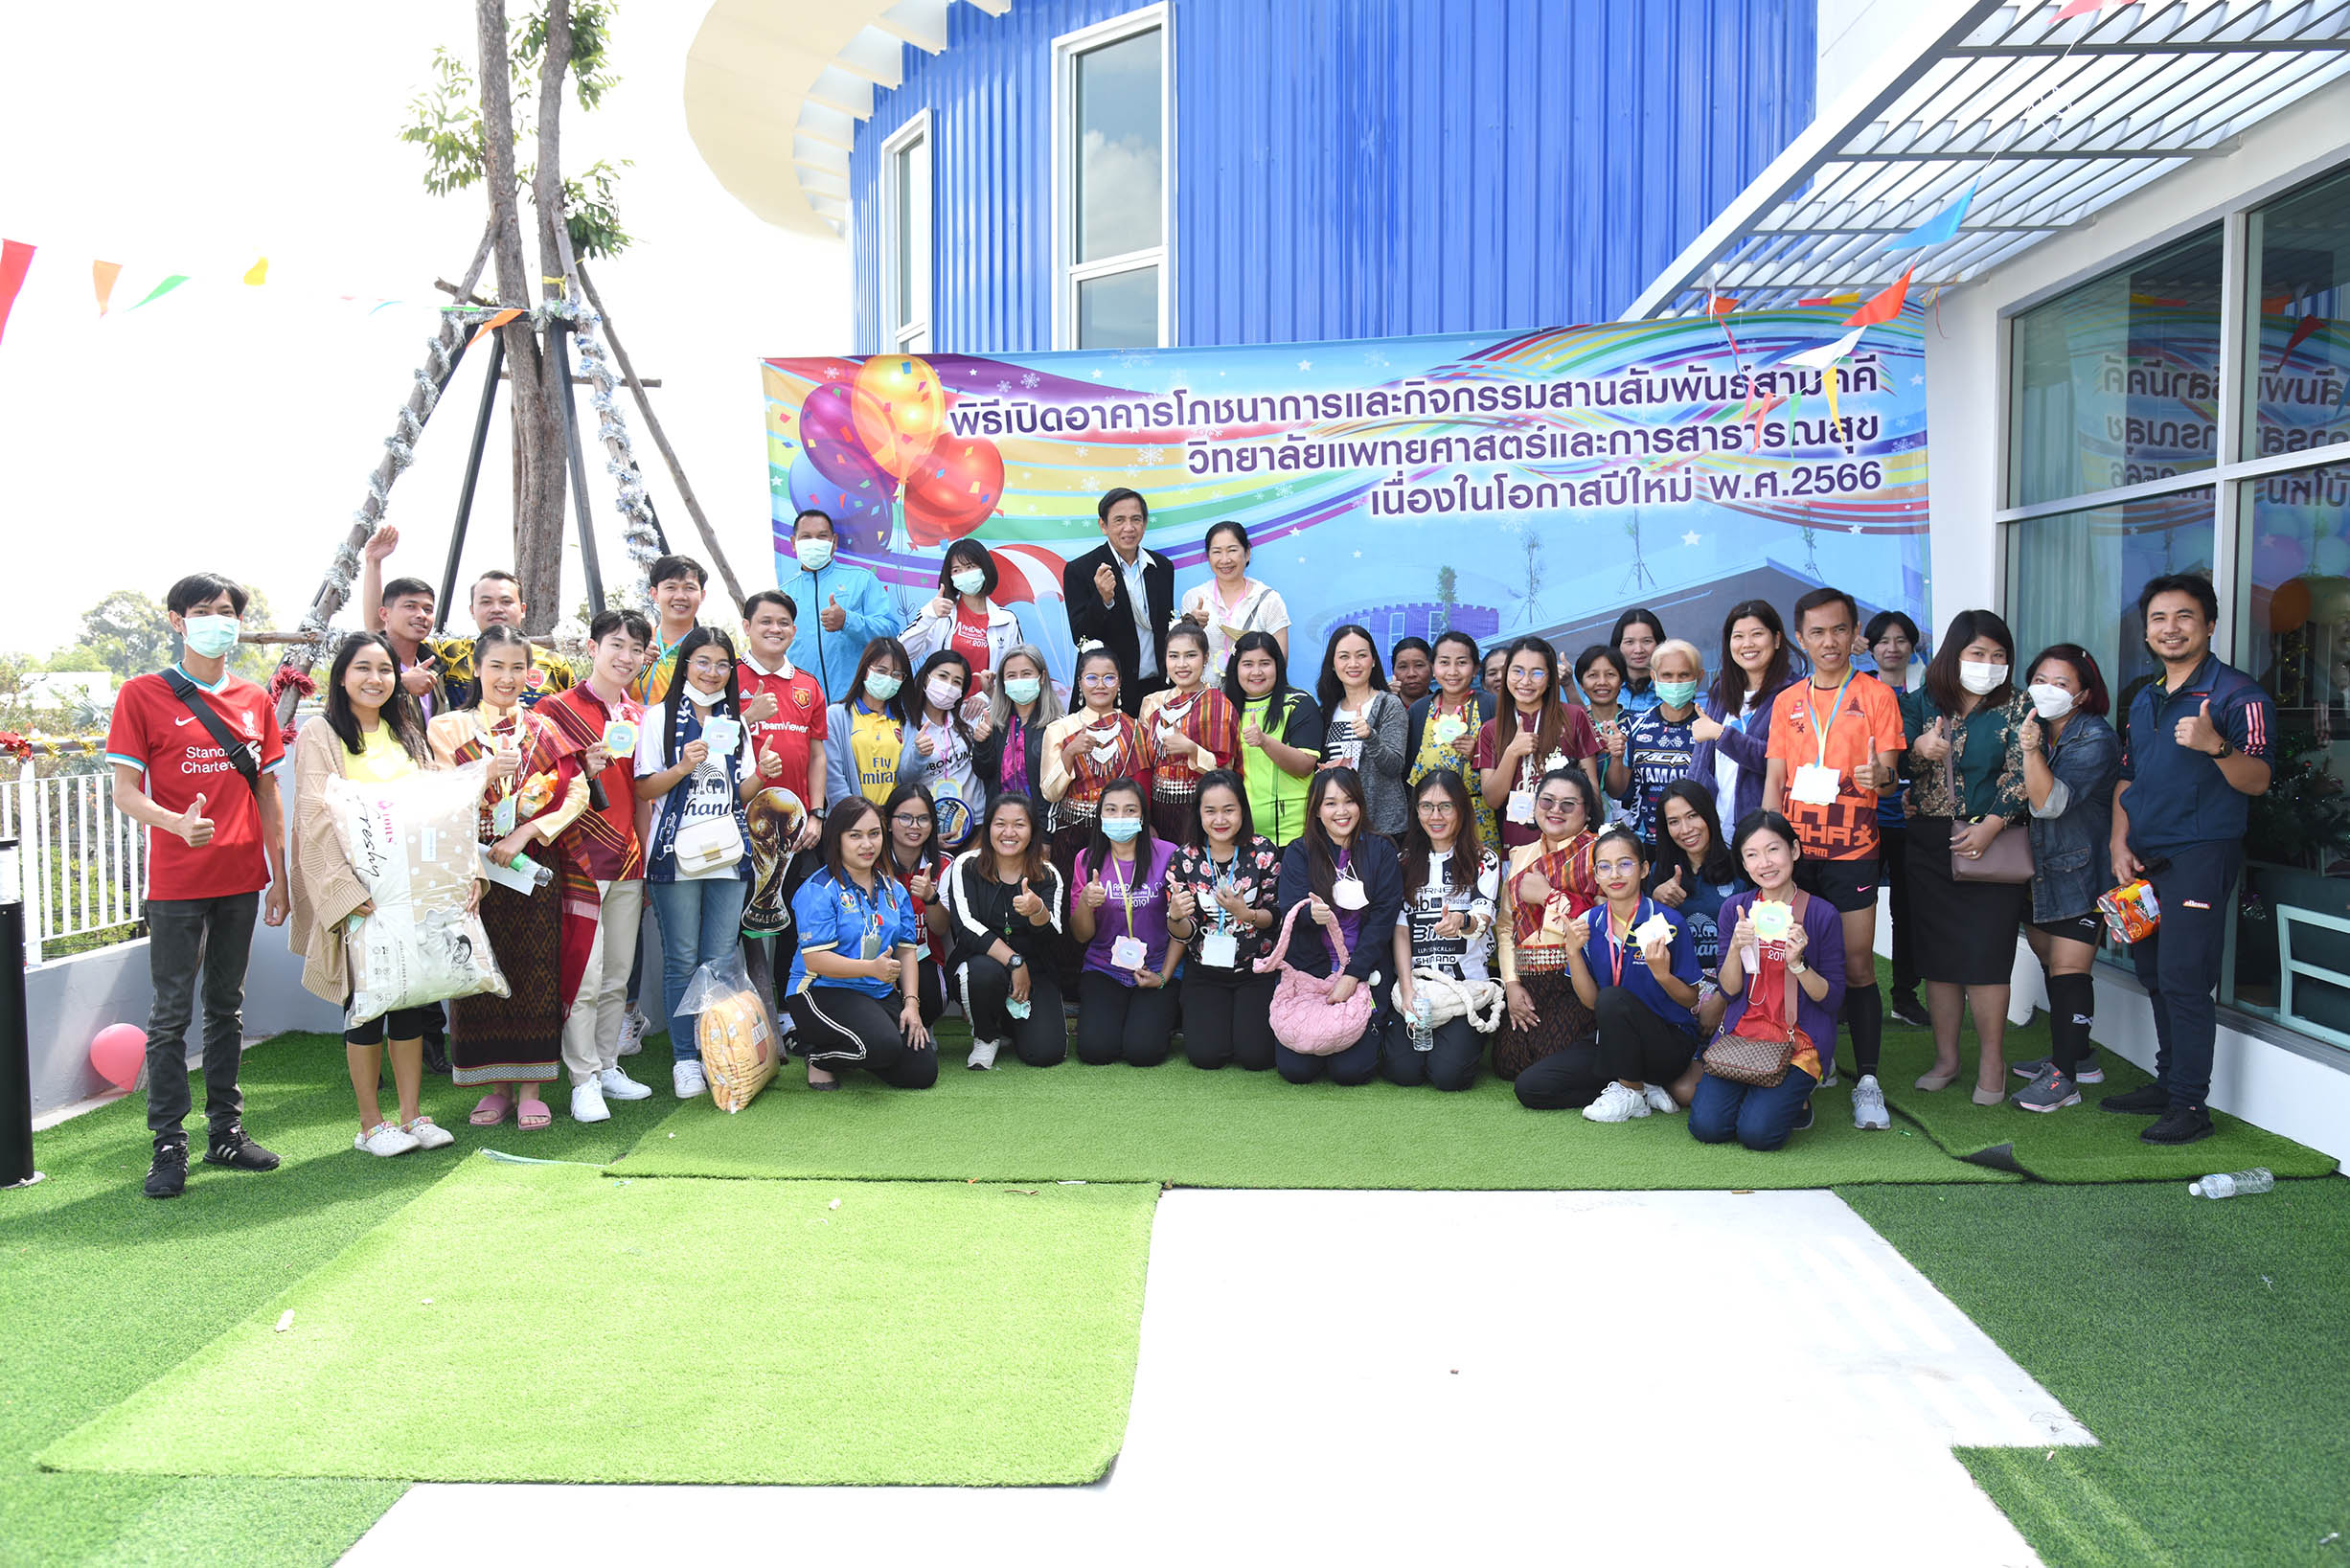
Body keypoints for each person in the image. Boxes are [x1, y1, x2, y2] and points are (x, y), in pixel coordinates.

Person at [105, 572, 288, 1197]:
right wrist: (175, 824)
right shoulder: (142, 694)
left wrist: (280, 877)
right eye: (205, 610)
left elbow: (268, 793)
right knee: (169, 1016)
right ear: (177, 620)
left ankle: (226, 1133)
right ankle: (168, 1144)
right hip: (176, 883)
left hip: (241, 879)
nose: (220, 621)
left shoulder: (255, 698)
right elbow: (125, 792)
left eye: (228, 611)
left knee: (227, 1008)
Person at [2108, 573, 2274, 1145]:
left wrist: (2215, 746)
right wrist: (2119, 842)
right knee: (2155, 973)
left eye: (2184, 616)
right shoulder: (2146, 695)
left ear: (2209, 625)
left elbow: (2258, 780)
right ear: (2146, 631)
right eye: (2159, 618)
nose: (2170, 628)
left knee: (2184, 977)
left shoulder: (2237, 695)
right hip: (2145, 857)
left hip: (2201, 854)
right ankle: (2168, 1082)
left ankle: (2189, 1105)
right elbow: (2128, 775)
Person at [287, 633, 465, 1158]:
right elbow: (314, 817)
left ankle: (411, 1116)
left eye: (385, 669)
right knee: (364, 1007)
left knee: (410, 1002)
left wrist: (460, 875)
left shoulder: (406, 730)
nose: (375, 679)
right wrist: (344, 891)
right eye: (363, 668)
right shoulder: (320, 733)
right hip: (362, 897)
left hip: (411, 892)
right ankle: (370, 1125)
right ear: (342, 676)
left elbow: (438, 808)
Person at [424, 625, 596, 1130]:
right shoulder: (448, 729)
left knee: (534, 973)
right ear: (476, 669)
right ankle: (493, 1086)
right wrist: (482, 773)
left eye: (517, 667)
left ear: (530, 672)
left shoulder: (545, 729)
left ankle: (532, 1088)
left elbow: (577, 793)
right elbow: (436, 795)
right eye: (496, 666)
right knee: (478, 970)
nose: (507, 677)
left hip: (532, 868)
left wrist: (524, 834)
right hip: (470, 867)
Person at [1760, 586, 1905, 1122]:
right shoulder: (1787, 701)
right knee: (1794, 957)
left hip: (1853, 851)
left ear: (1855, 634)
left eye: (1840, 630)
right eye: (1817, 632)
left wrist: (1881, 776)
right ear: (1800, 638)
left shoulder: (1877, 695)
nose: (1829, 641)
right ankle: (1809, 1060)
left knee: (1859, 964)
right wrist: (1767, 846)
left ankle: (1867, 1080)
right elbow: (1775, 779)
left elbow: (1888, 778)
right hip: (1796, 854)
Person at [1903, 609, 2032, 1104]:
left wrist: (1993, 825)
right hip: (1931, 842)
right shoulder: (1922, 701)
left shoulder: (2018, 705)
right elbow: (1897, 761)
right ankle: (1946, 1059)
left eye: (1999, 655)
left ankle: (1993, 1063)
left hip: (1995, 842)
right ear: (1954, 654)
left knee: (1986, 958)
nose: (1989, 664)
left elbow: (2022, 771)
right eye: (1978, 653)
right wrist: (1921, 748)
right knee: (1939, 960)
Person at [536, 610, 651, 1121]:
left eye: (636, 649)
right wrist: (580, 768)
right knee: (584, 973)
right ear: (592, 647)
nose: (625, 657)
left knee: (617, 974)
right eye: (616, 645)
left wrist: (643, 853)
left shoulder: (641, 716)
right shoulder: (553, 709)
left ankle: (607, 1066)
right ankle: (582, 1078)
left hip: (627, 857)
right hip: (575, 858)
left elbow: (644, 793)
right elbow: (535, 781)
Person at [633, 626, 758, 1100]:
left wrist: (763, 773)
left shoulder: (735, 721)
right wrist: (683, 767)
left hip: (728, 854)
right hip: (675, 855)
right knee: (682, 959)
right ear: (684, 664)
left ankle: (717, 1053)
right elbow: (644, 788)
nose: (712, 672)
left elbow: (740, 793)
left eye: (722, 664)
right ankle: (686, 1059)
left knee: (719, 960)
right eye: (703, 662)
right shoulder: (658, 717)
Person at [1513, 826, 1700, 1120]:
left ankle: (1632, 1092)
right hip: (1614, 1041)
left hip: (1666, 1044)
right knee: (1531, 1087)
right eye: (1605, 867)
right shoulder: (1590, 921)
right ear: (1596, 875)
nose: (1615, 874)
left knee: (1613, 998)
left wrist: (1662, 975)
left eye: (1625, 864)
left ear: (1644, 869)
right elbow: (1592, 1002)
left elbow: (1691, 999)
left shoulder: (1668, 921)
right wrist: (1573, 952)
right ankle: (1637, 1086)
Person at [1688, 810, 1848, 1151]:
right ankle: (1763, 1093)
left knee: (1758, 1134)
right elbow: (1730, 991)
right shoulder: (1736, 910)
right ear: (1744, 864)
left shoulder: (1822, 914)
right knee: (1707, 1127)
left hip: (1798, 1039)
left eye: (1773, 849)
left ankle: (1796, 1098)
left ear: (1794, 850)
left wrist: (1799, 965)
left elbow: (1832, 999)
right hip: (1743, 1034)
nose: (1765, 863)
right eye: (1752, 854)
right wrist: (1735, 948)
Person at [2008, 645, 2122, 1113]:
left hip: (2080, 872)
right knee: (2049, 960)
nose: (2047, 690)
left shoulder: (2094, 738)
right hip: (2036, 871)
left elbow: (2049, 803)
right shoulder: (2034, 727)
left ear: (2083, 695)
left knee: (2070, 970)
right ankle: (2077, 1054)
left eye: (2061, 683)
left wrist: (2029, 750)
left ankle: (2065, 1078)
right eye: (2040, 680)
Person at [785, 797, 937, 1089]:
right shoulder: (819, 889)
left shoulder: (894, 889)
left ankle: (863, 1045)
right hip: (820, 992)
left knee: (922, 1072)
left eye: (874, 834)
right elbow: (816, 960)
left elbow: (907, 951)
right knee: (882, 1046)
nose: (867, 844)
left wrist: (911, 1004)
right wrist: (870, 968)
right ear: (836, 839)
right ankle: (820, 1058)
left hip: (877, 993)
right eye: (855, 836)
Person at [1271, 767, 1403, 1084]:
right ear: (1316, 810)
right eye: (1330, 803)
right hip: (1311, 971)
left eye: (1349, 801)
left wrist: (1352, 975)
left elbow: (1383, 919)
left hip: (1364, 969)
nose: (1341, 811)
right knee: (1296, 1070)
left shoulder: (1381, 850)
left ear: (1360, 804)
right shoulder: (1299, 852)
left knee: (1351, 1071)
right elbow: (1289, 907)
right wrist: (1310, 914)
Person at [356, 527, 573, 715]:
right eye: (486, 602)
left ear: (523, 609)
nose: (496, 609)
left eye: (506, 601)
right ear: (472, 610)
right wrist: (373, 563)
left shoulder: (555, 664)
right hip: (465, 751)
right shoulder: (449, 654)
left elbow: (571, 719)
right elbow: (380, 628)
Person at [735, 589, 828, 1005]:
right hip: (740, 826)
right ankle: (743, 1012)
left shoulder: (807, 684)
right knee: (739, 925)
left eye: (783, 623)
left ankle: (790, 1009)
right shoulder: (728, 677)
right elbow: (712, 741)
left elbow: (817, 755)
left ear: (794, 629)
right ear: (747, 627)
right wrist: (746, 717)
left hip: (796, 829)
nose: (775, 629)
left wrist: (816, 813)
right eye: (765, 621)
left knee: (793, 918)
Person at [1386, 769, 1499, 1091]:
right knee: (1404, 1072)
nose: (1435, 816)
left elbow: (1482, 920)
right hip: (1419, 985)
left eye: (1446, 806)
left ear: (1461, 808)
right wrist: (1406, 989)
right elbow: (1401, 930)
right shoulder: (1403, 861)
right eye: (1426, 806)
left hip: (1465, 988)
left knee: (1449, 1076)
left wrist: (1461, 922)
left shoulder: (1484, 859)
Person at [941, 793, 1069, 1070]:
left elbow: (1054, 936)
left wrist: (1037, 911)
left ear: (1032, 831)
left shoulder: (1048, 874)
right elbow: (965, 927)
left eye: (1019, 825)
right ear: (988, 828)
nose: (1009, 833)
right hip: (981, 964)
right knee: (982, 972)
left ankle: (1008, 1024)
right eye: (1000, 824)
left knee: (1045, 1053)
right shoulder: (966, 865)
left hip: (1035, 970)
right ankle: (985, 1036)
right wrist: (1014, 961)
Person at [1166, 770, 1283, 1070]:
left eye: (1229, 810)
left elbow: (1276, 917)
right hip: (1205, 971)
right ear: (1198, 813)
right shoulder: (1184, 859)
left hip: (1256, 969)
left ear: (1243, 810)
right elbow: (1183, 932)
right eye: (1210, 811)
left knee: (1257, 1057)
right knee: (1205, 1056)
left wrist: (1247, 914)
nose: (1220, 819)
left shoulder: (1263, 852)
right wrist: (1175, 916)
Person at [1494, 767, 1604, 1079]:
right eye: (1547, 801)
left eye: (1568, 804)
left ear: (1587, 811)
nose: (1556, 810)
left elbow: (1603, 921)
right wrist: (1512, 984)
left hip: (1576, 979)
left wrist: (1549, 897)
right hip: (1528, 979)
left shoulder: (1598, 853)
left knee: (1548, 1060)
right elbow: (1506, 926)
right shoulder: (1521, 856)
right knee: (1509, 1063)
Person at [1068, 777, 1181, 1064]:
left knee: (1143, 1052)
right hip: (1104, 968)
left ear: (1143, 816)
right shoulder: (1086, 860)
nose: (1120, 817)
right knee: (1096, 1051)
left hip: (1156, 967)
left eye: (1130, 810)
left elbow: (1182, 925)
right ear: (1100, 816)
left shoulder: (1168, 854)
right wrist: (1086, 903)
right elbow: (1081, 935)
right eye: (1111, 810)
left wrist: (1163, 976)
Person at [1864, 609, 1932, 1028]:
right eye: (1883, 641)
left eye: (1901, 640)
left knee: (1908, 912)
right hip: (1865, 820)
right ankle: (1849, 997)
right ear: (1870, 649)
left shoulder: (1927, 693)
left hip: (1912, 820)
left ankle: (1904, 996)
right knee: (1856, 909)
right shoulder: (1858, 692)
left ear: (1912, 646)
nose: (1892, 648)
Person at [1476, 637, 1603, 852]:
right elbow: (1492, 799)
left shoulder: (1574, 717)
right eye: (1517, 671)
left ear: (1551, 678)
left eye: (1536, 673)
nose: (1525, 681)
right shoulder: (1490, 730)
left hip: (1570, 846)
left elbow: (1592, 790)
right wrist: (1512, 753)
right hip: (1517, 849)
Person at [1040, 646, 1154, 882]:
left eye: (1109, 678)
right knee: (1075, 897)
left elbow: (1142, 790)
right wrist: (1070, 752)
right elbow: (1050, 794)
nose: (1100, 685)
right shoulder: (1059, 729)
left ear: (1119, 682)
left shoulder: (1136, 730)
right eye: (1092, 678)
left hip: (1122, 832)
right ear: (1080, 682)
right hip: (1073, 833)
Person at [1648, 778, 1747, 1039]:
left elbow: (1754, 945)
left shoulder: (1741, 867)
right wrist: (1655, 902)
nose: (1686, 829)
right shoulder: (1659, 872)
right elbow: (1648, 946)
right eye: (1674, 821)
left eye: (1692, 816)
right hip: (1676, 986)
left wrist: (1722, 1000)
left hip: (1733, 986)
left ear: (1708, 814)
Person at [1688, 599, 1796, 831]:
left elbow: (1781, 763)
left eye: (1757, 634)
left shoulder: (1794, 693)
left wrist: (1722, 735)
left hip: (1760, 831)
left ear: (1777, 639)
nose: (1747, 644)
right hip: (1715, 828)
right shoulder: (1722, 690)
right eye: (1738, 636)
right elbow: (1702, 760)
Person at [1063, 488, 1175, 715]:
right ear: (1103, 525)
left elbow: (1164, 628)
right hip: (1108, 694)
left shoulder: (1162, 567)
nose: (1129, 528)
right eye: (1119, 520)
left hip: (1157, 692)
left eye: (1136, 519)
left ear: (1145, 523)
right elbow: (1082, 637)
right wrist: (1103, 600)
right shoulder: (1081, 569)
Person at [781, 509, 902, 705]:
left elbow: (890, 632)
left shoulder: (862, 580)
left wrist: (847, 621)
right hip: (803, 704)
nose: (814, 542)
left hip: (856, 703)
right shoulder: (783, 595)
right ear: (794, 543)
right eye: (806, 537)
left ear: (834, 541)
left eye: (822, 536)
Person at [1139, 622, 1240, 845]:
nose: (1181, 664)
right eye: (1173, 656)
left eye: (1190, 655)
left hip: (1203, 809)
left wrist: (1192, 750)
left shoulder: (1218, 703)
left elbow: (1227, 770)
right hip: (1158, 811)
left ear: (1205, 658)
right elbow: (1143, 767)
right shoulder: (1152, 703)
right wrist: (1145, 819)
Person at [1406, 629, 1500, 853]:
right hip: (1431, 825)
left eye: (1461, 662)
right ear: (1433, 667)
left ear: (1475, 669)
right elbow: (1408, 773)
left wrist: (1478, 755)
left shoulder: (1490, 706)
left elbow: (1508, 766)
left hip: (1478, 822)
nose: (1452, 671)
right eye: (1444, 662)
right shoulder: (1419, 710)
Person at [1225, 630, 1322, 846]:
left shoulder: (1299, 703)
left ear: (1278, 665)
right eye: (1248, 664)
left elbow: (1305, 765)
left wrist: (1264, 741)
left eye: (1265, 663)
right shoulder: (1225, 708)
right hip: (1239, 834)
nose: (1256, 672)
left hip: (1294, 835)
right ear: (1235, 667)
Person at [1605, 637, 1704, 845]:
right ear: (1654, 677)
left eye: (1684, 675)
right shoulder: (1634, 725)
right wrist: (1616, 757)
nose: (1675, 683)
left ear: (1699, 677)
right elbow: (1616, 791)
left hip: (1696, 840)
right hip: (1646, 842)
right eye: (1667, 675)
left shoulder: (1710, 726)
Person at [1316, 624, 1411, 839]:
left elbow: (1394, 766)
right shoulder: (1327, 711)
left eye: (1361, 655)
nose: (1353, 664)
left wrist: (1370, 736)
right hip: (1338, 826)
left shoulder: (1388, 704)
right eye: (1344, 657)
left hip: (1382, 828)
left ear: (1374, 660)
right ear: (1333, 664)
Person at [878, 780, 952, 1028]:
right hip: (876, 955)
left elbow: (940, 928)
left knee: (932, 994)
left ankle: (922, 1027)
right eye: (905, 818)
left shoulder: (943, 864)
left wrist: (931, 898)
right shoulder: (871, 862)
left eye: (923, 819)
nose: (914, 826)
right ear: (888, 823)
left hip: (924, 956)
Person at [901, 538, 1020, 687]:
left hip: (986, 701)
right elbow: (903, 653)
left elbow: (1015, 673)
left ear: (985, 569)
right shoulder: (940, 613)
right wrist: (929, 615)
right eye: (957, 570)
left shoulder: (1006, 620)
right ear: (950, 576)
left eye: (970, 567)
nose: (965, 574)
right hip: (941, 699)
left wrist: (987, 696)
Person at [1178, 518, 1290, 671]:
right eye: (1217, 552)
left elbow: (1280, 661)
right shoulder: (1194, 598)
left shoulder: (1268, 600)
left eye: (1232, 550)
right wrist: (1191, 626)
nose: (1225, 560)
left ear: (1247, 553)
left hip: (1252, 685)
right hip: (1205, 687)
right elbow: (1182, 656)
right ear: (1208, 556)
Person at [824, 637, 921, 807]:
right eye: (881, 671)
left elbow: (908, 778)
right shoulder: (836, 716)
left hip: (893, 818)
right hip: (850, 816)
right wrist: (858, 815)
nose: (888, 679)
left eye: (896, 675)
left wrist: (920, 755)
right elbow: (832, 777)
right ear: (865, 669)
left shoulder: (906, 722)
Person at [906, 649, 983, 854]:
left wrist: (988, 693)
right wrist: (918, 755)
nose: (948, 686)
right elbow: (904, 779)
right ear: (926, 677)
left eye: (957, 682)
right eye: (942, 676)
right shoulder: (906, 724)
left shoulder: (969, 717)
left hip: (975, 825)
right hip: (928, 829)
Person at [974, 644, 1063, 807]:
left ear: (1042, 677)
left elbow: (1059, 785)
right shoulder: (990, 718)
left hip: (1041, 820)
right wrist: (981, 743)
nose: (1019, 680)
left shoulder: (1059, 724)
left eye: (1026, 674)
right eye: (1011, 676)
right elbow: (982, 772)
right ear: (1003, 682)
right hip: (1000, 818)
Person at [632, 555, 709, 706]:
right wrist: (633, 658)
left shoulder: (716, 651)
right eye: (670, 587)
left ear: (702, 595)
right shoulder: (635, 643)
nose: (680, 596)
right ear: (654, 594)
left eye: (689, 588)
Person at [1611, 607, 1666, 714]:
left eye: (1647, 641)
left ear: (1659, 644)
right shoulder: (1606, 686)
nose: (1639, 650)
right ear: (1618, 646)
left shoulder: (1670, 688)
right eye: (1629, 642)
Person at [1575, 644, 1630, 732]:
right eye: (1593, 675)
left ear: (1621, 682)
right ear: (1581, 684)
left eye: (1610, 674)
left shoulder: (1639, 723)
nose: (1602, 682)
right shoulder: (1574, 726)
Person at [1388, 637, 1433, 708]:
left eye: (1419, 665)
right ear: (1393, 671)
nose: (1411, 674)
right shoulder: (1382, 708)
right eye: (1403, 666)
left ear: (1432, 669)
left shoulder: (1445, 708)